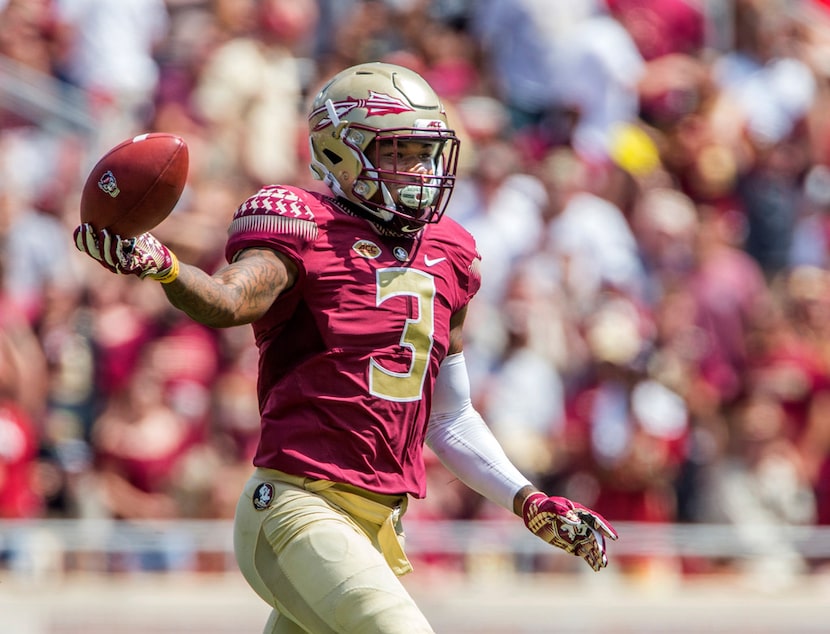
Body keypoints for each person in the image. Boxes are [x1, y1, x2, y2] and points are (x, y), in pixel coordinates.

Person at [74, 61, 618, 633]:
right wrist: (165, 267)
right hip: (298, 508)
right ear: (341, 152)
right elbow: (229, 302)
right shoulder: (301, 223)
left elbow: (449, 416)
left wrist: (527, 499)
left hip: (374, 526)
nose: (416, 169)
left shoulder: (449, 252)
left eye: (422, 152)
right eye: (397, 152)